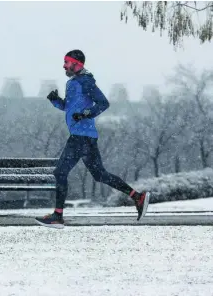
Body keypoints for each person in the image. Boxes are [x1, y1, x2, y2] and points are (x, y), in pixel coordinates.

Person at [35, 49, 151, 229]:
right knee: (100, 175)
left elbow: (103, 103)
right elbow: (70, 107)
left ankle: (57, 216)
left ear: (77, 64)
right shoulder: (72, 82)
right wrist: (55, 100)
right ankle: (137, 197)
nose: (64, 65)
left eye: (67, 62)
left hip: (80, 137)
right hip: (86, 137)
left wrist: (87, 113)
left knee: (60, 173)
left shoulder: (85, 82)